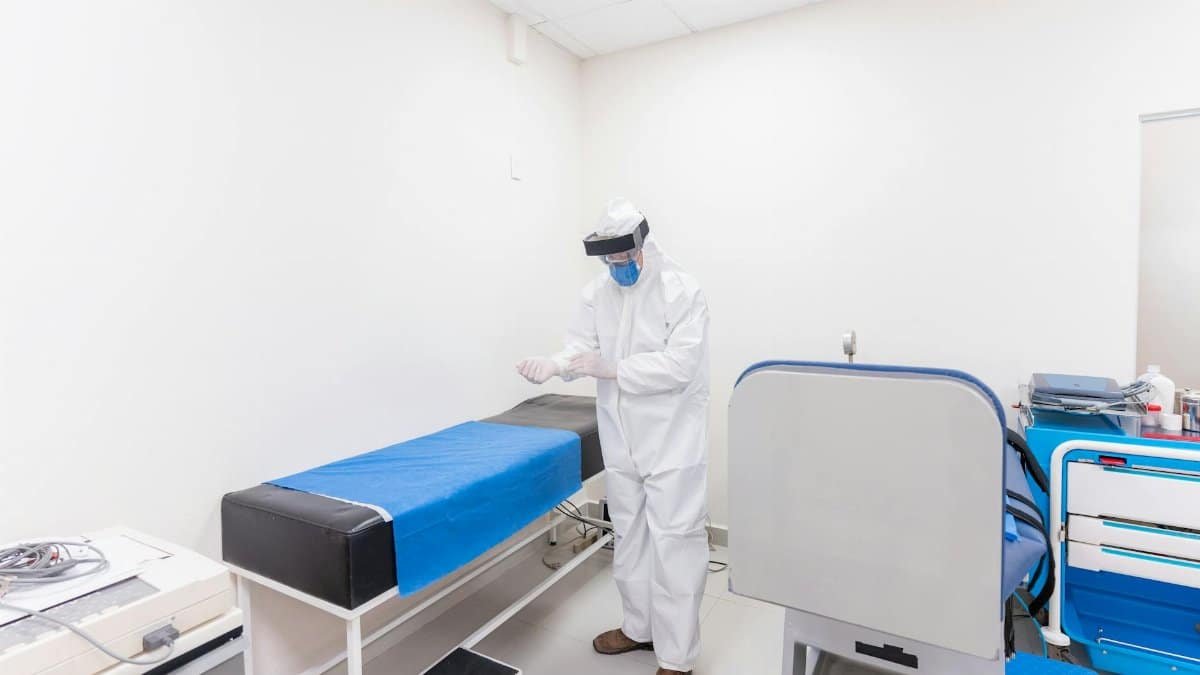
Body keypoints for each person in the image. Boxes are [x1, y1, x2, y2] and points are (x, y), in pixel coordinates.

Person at [516, 199, 710, 675]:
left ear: (643, 246)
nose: (618, 268)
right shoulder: (597, 293)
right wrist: (557, 364)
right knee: (630, 532)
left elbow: (681, 366)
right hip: (622, 438)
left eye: (625, 259)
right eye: (611, 261)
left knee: (675, 540)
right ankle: (638, 627)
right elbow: (582, 346)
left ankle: (677, 656)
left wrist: (615, 369)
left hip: (671, 439)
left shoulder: (681, 291)